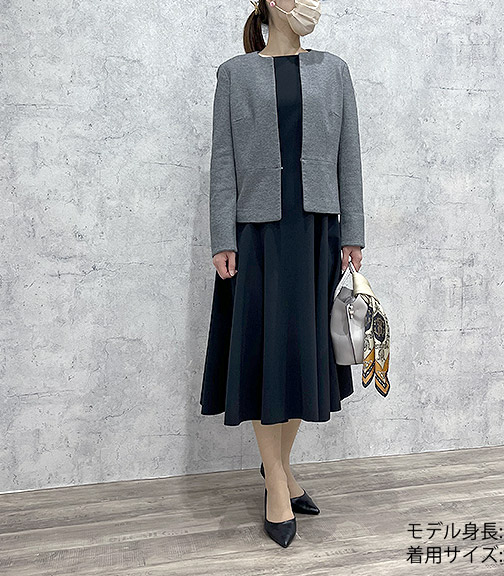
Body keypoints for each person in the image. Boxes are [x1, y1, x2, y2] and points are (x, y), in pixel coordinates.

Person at [200, 0, 365, 547]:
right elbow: (222, 161)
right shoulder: (234, 74)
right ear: (271, 2)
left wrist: (352, 232)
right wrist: (223, 238)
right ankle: (277, 481)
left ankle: (279, 467)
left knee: (301, 356)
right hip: (258, 234)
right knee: (265, 354)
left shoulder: (333, 70)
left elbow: (349, 155)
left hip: (316, 232)